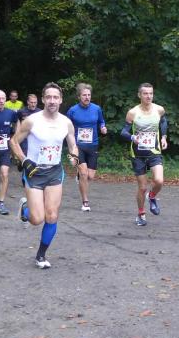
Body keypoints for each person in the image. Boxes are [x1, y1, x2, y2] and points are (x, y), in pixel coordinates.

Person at [10, 83, 79, 269]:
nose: (52, 101)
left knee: (52, 215)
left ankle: (41, 255)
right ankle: (25, 209)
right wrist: (25, 160)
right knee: (36, 219)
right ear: (43, 99)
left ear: (61, 100)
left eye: (55, 97)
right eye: (48, 97)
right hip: (34, 172)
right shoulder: (32, 121)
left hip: (54, 172)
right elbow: (14, 142)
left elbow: (73, 145)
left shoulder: (66, 122)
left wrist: (74, 157)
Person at [120, 83, 168, 227]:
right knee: (142, 187)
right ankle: (141, 214)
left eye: (151, 93)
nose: (148, 96)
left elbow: (163, 122)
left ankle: (152, 197)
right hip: (138, 154)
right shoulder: (133, 112)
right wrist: (132, 137)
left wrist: (163, 137)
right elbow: (123, 132)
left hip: (154, 152)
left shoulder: (159, 109)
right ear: (139, 95)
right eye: (145, 93)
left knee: (159, 181)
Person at [66, 83, 107, 211]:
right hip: (78, 146)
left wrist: (102, 127)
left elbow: (101, 121)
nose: (87, 97)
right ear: (79, 96)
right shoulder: (72, 110)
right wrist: (71, 147)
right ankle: (85, 201)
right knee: (84, 174)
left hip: (93, 145)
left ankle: (79, 177)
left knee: (90, 176)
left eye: (89, 95)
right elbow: (66, 126)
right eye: (84, 95)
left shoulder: (96, 108)